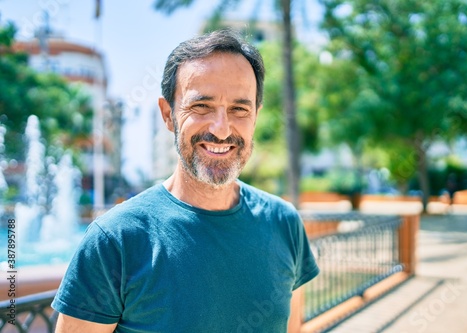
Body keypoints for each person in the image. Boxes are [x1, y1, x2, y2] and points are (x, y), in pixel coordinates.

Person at [52, 29, 319, 333]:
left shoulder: (284, 223)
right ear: (168, 115)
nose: (221, 129)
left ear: (255, 116)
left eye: (239, 109)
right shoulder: (115, 240)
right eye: (201, 106)